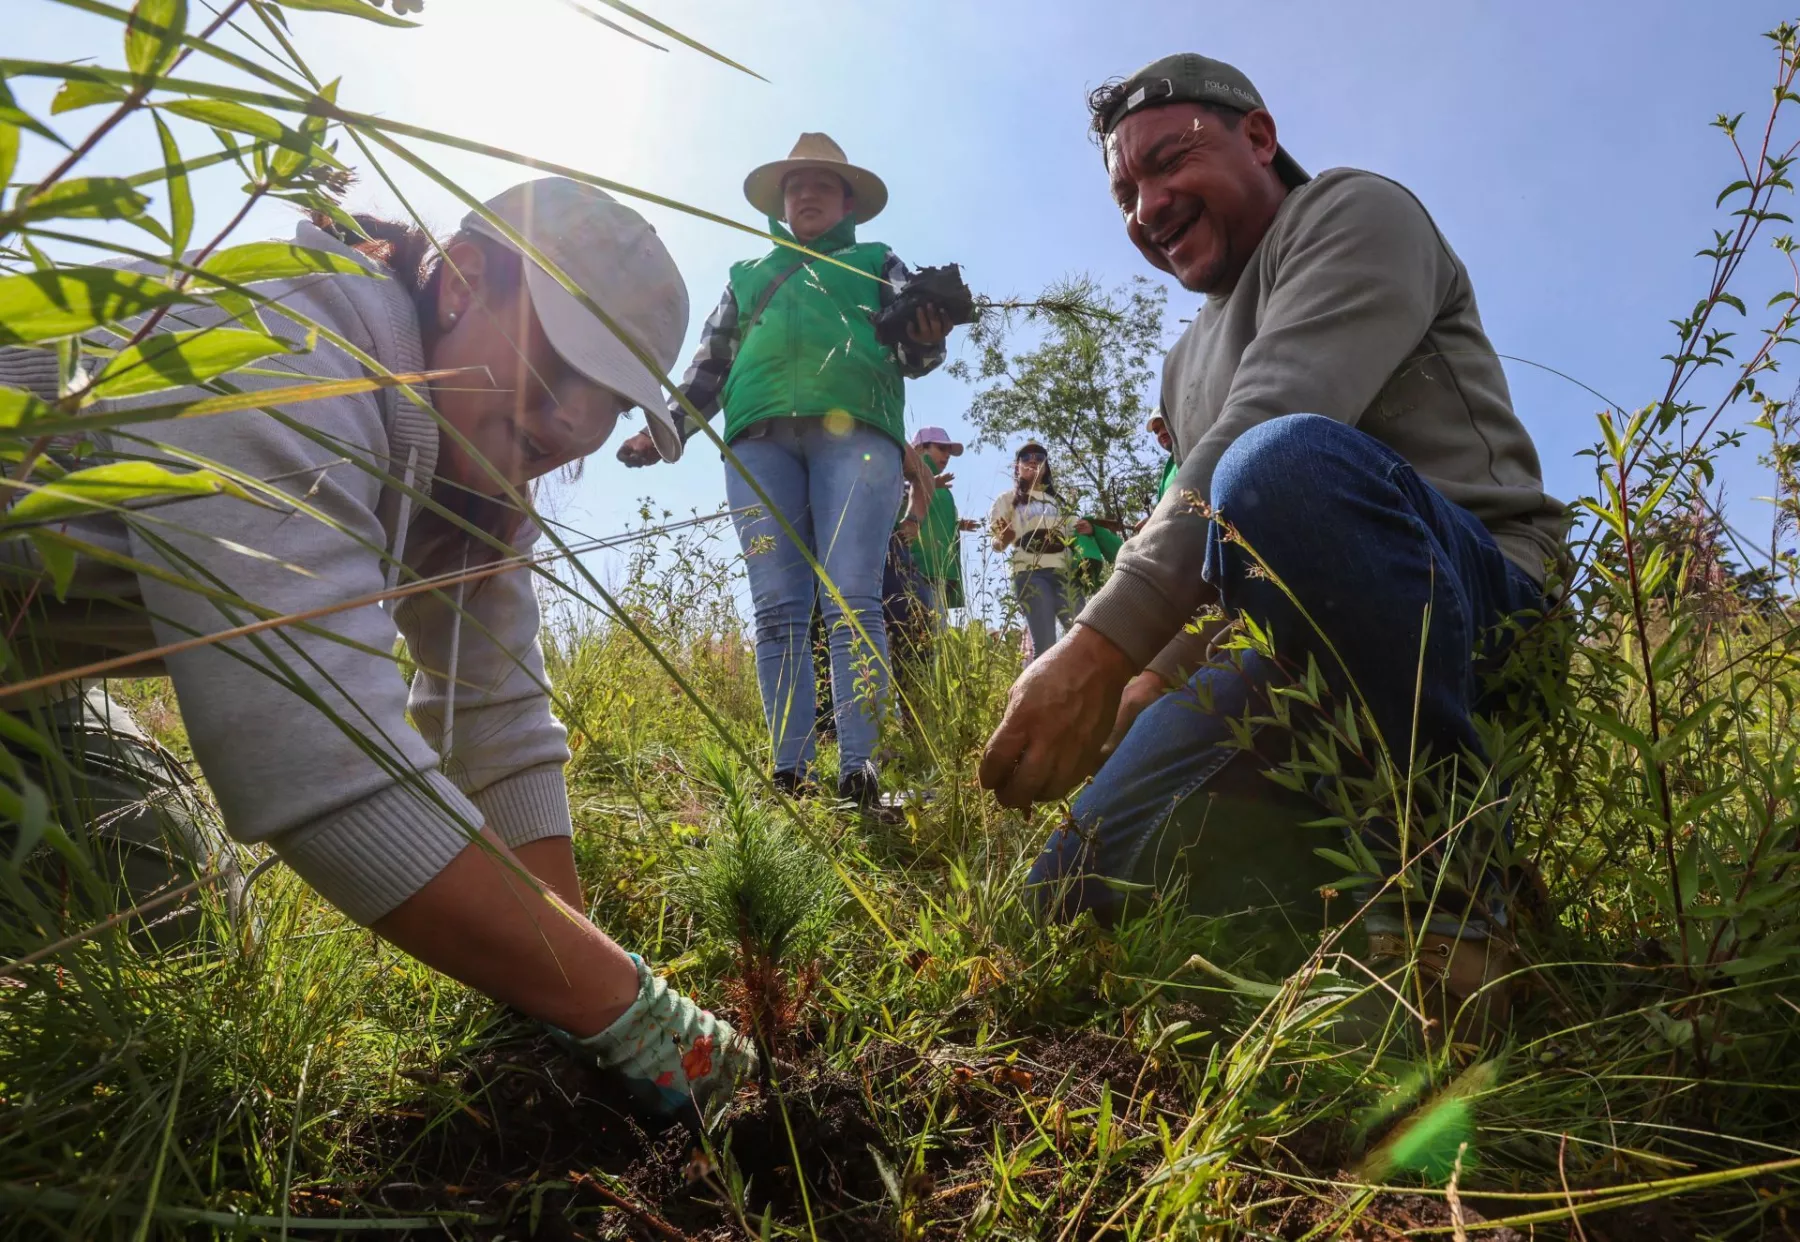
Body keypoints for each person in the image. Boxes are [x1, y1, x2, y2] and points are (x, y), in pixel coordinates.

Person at [0, 177, 754, 1122]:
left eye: (608, 398)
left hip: (26, 682)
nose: (571, 421)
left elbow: (500, 724)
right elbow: (329, 771)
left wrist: (570, 996)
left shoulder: (475, 481)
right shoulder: (300, 344)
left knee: (171, 921)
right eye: (560, 357)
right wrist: (641, 1017)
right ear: (461, 282)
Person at [984, 55, 1566, 1034]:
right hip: (1292, 653)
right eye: (1128, 191)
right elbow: (1218, 566)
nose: (1150, 204)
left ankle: (1454, 932)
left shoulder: (1353, 213)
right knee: (1061, 897)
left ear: (1258, 136)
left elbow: (1266, 439)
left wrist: (1095, 649)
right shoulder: (1182, 362)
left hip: (1483, 610)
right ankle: (1343, 916)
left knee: (1279, 464)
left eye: (1172, 162)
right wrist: (1141, 687)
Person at [621, 133, 953, 811]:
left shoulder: (877, 262)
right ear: (780, 201)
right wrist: (667, 428)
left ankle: (858, 766)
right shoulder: (748, 274)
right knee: (777, 608)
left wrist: (926, 336)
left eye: (822, 186)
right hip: (756, 442)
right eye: (795, 186)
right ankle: (790, 770)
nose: (806, 195)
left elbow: (918, 353)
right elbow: (710, 365)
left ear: (848, 201)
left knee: (852, 597)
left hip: (858, 434)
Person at [989, 442, 1094, 664]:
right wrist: (1004, 538)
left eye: (1040, 456)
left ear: (1047, 466)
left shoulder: (1058, 501)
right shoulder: (1006, 500)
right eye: (1026, 457)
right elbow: (996, 543)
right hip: (1030, 574)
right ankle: (1038, 697)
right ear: (1017, 467)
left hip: (1065, 575)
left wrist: (1088, 528)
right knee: (1045, 645)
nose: (1033, 460)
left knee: (1084, 637)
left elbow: (1075, 532)